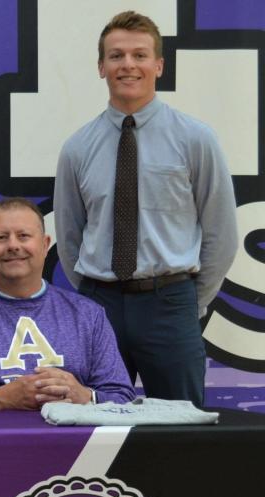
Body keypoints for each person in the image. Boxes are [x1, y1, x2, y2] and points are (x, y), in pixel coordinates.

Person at [54, 11, 238, 406]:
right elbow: (70, 238)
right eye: (116, 56)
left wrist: (190, 301)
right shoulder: (77, 148)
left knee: (181, 433)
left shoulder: (196, 139)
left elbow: (221, 232)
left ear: (159, 64)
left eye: (140, 55)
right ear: (101, 67)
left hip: (169, 303)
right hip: (100, 305)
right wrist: (92, 295)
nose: (128, 65)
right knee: (94, 424)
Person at [0, 198, 134, 411]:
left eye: (23, 236)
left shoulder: (88, 315)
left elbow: (122, 397)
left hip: (77, 442)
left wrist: (84, 396)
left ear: (45, 245)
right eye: (1, 238)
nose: (13, 245)